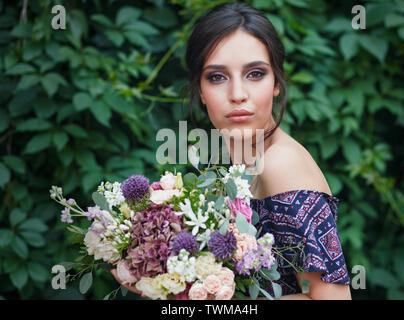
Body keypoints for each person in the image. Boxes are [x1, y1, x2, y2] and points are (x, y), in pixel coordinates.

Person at [112, 2, 352, 300]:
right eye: (217, 77)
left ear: (276, 82)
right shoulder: (234, 160)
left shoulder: (281, 164)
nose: (237, 94)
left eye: (255, 73)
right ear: (200, 89)